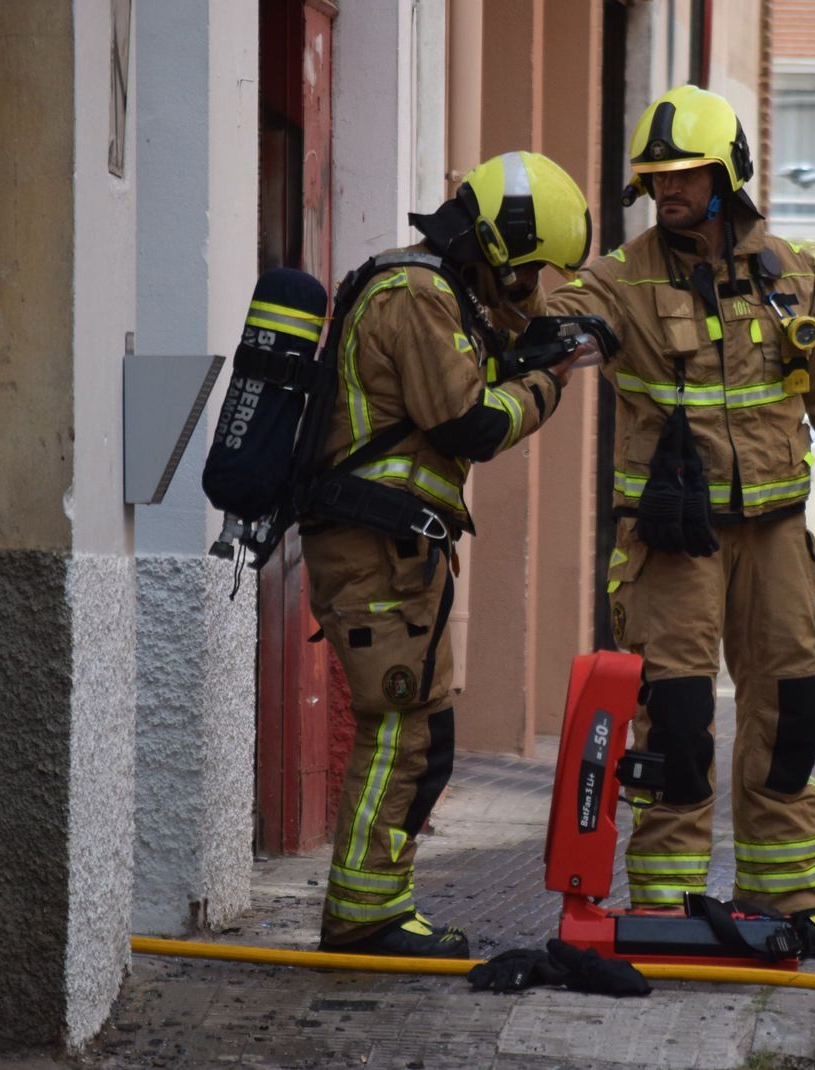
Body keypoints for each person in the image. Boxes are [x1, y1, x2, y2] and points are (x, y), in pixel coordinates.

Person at [547, 85, 815, 960]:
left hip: (776, 533)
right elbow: (557, 318)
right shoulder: (620, 279)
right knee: (674, 723)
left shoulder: (790, 273)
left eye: (685, 174)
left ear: (726, 176)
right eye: (656, 177)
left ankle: (782, 901)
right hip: (672, 541)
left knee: (791, 714)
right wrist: (529, 322)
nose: (666, 190)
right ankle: (667, 906)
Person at [304, 150, 592, 958]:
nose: (530, 287)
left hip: (395, 548)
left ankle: (377, 909)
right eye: (528, 269)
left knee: (420, 734)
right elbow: (471, 423)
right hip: (377, 548)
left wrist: (534, 343)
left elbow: (469, 374)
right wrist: (552, 383)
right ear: (498, 245)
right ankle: (365, 920)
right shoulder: (417, 294)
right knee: (401, 731)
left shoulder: (439, 296)